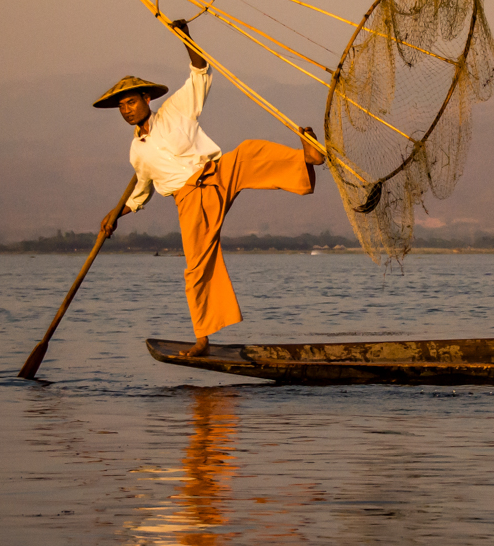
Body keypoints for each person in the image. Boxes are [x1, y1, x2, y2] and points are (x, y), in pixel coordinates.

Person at [93, 19, 324, 356]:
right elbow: (141, 194)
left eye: (131, 102)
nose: (126, 110)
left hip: (215, 173)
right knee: (198, 266)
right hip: (189, 201)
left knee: (248, 152)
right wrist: (115, 214)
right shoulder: (137, 151)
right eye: (122, 107)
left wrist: (185, 38)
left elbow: (200, 71)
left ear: (146, 98)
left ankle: (307, 160)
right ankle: (203, 338)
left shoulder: (176, 109)